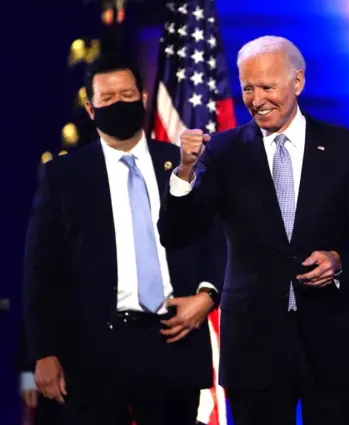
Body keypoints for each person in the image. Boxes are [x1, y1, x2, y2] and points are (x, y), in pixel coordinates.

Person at [158, 36, 349, 425]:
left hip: (331, 342)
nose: (256, 99)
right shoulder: (223, 151)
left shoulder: (345, 148)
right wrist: (184, 171)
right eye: (248, 88)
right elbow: (178, 233)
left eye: (267, 87)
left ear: (297, 82)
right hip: (254, 346)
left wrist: (340, 262)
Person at [23, 56, 225, 425]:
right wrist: (43, 352)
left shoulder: (181, 165)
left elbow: (214, 238)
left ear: (144, 96)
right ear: (90, 107)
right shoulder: (64, 177)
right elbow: (41, 270)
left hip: (173, 340)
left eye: (127, 94)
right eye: (108, 97)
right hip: (94, 352)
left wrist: (207, 295)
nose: (119, 103)